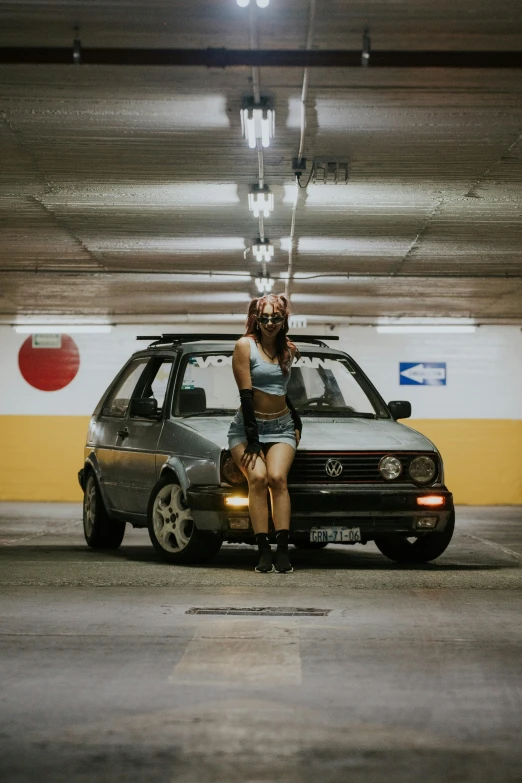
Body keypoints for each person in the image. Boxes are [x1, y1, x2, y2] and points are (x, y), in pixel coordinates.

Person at [227, 294, 302, 573]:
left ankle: (283, 551)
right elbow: (247, 395)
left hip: (281, 426)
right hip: (247, 429)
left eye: (276, 318)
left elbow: (281, 391)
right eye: (265, 318)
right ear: (256, 319)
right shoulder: (244, 346)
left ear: (284, 320)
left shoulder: (289, 350)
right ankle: (263, 552)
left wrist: (296, 420)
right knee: (257, 479)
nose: (270, 323)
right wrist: (253, 438)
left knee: (277, 478)